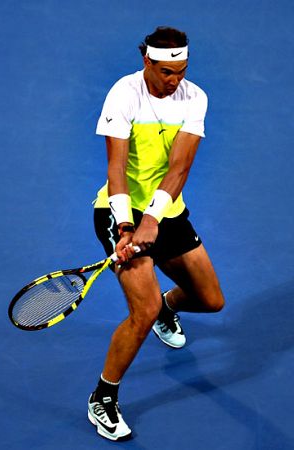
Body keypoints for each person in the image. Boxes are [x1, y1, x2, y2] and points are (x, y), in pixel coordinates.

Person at [87, 26, 226, 441]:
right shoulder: (123, 94)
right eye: (168, 72)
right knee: (142, 313)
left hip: (167, 212)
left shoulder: (194, 97)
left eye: (182, 71)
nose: (175, 80)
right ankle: (103, 398)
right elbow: (116, 170)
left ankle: (170, 304)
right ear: (147, 62)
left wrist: (154, 219)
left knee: (211, 300)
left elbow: (179, 168)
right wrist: (128, 223)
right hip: (119, 209)